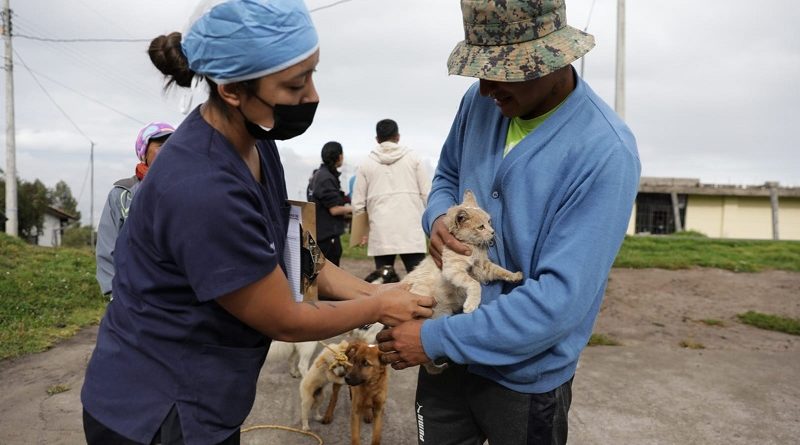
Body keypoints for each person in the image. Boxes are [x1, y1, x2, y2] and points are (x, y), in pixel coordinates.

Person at [80, 2, 434, 444]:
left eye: (313, 73)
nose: (312, 96)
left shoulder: (256, 140)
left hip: (209, 399)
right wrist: (379, 308)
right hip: (158, 411)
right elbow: (286, 318)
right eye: (295, 83)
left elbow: (305, 259)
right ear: (231, 89)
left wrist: (381, 292)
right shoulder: (201, 188)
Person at [376, 1, 641, 444]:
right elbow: (446, 177)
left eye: (501, 70)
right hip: (448, 351)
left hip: (524, 376)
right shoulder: (481, 103)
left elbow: (557, 302)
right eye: (479, 70)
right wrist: (439, 217)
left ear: (555, 58)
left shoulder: (605, 152)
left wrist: (435, 339)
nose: (484, 89)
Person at [95, 122, 175, 299]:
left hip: (176, 295)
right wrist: (114, 292)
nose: (169, 150)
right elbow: (107, 246)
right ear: (143, 153)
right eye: (161, 145)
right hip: (132, 294)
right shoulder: (122, 194)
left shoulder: (189, 189)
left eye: (173, 144)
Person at [351, 119, 431, 274]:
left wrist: (360, 234)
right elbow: (427, 194)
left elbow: (358, 203)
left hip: (381, 233)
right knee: (419, 281)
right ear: (398, 137)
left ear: (377, 139)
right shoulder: (414, 158)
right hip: (411, 231)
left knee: (383, 281)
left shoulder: (366, 163)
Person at [306, 141, 352, 266]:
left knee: (320, 272)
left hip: (318, 233)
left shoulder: (318, 175)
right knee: (330, 271)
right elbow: (334, 209)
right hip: (327, 236)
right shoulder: (326, 178)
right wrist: (355, 208)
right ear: (340, 156)